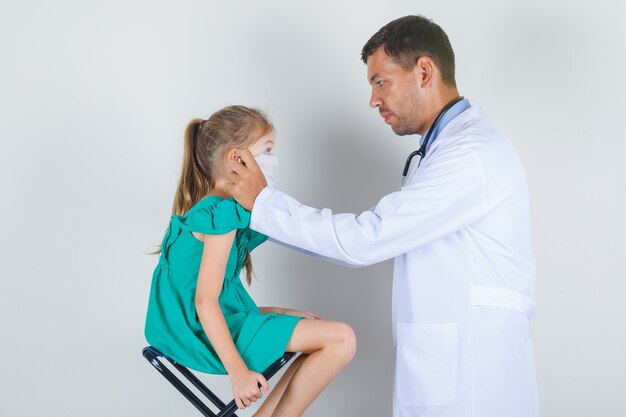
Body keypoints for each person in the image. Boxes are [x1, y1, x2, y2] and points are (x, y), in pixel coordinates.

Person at [225, 16, 539, 417]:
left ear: (424, 71)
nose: (373, 100)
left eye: (381, 82)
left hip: (476, 382)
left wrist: (264, 202)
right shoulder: (444, 153)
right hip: (454, 369)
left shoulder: (471, 155)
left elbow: (365, 239)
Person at [144, 105, 356, 417]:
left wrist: (279, 312)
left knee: (322, 339)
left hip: (204, 327)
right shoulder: (220, 215)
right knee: (341, 339)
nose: (273, 160)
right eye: (268, 150)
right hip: (200, 335)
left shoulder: (218, 211)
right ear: (236, 158)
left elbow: (216, 298)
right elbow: (204, 302)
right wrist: (238, 373)